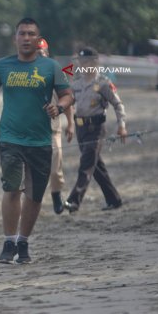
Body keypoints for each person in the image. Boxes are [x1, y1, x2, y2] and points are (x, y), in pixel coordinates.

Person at [0, 18, 73, 264]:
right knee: (11, 189)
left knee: (34, 196)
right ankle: (8, 241)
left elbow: (67, 95)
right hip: (10, 138)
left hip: (40, 139)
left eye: (30, 34)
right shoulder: (2, 66)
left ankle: (23, 241)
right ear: (15, 38)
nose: (25, 38)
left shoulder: (51, 67)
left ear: (38, 39)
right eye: (21, 33)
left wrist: (59, 107)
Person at [64, 48, 126, 213]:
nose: (82, 65)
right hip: (81, 128)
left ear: (95, 62)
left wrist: (122, 125)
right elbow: (68, 102)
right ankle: (114, 199)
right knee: (96, 166)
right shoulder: (76, 83)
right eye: (80, 62)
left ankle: (74, 200)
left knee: (86, 164)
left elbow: (117, 104)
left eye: (86, 62)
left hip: (96, 128)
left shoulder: (103, 83)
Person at [36, 38, 75, 214]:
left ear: (47, 53)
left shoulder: (56, 73)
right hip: (30, 129)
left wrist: (71, 124)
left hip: (52, 128)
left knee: (55, 166)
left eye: (42, 53)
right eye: (36, 53)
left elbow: (66, 99)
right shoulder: (25, 75)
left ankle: (56, 197)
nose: (39, 56)